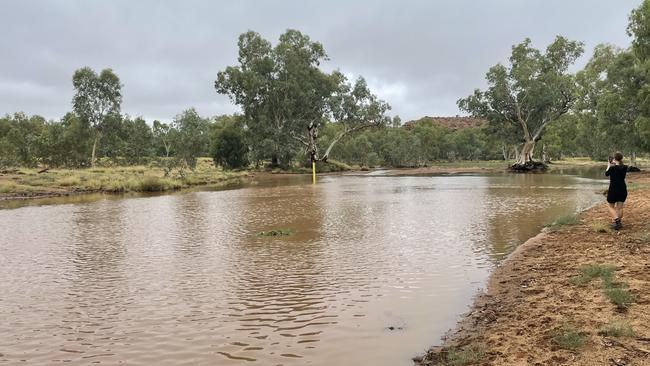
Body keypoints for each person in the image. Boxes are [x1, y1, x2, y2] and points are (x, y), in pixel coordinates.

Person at [605, 152, 627, 230]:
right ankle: (618, 223)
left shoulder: (612, 168)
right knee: (620, 207)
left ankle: (617, 222)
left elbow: (606, 174)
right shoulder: (625, 167)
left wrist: (608, 165)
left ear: (614, 159)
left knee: (610, 206)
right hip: (622, 189)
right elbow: (619, 167)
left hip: (613, 189)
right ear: (621, 158)